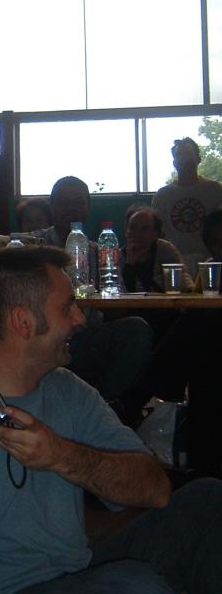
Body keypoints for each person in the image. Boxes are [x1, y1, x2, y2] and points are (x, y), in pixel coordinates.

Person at [0, 244, 222, 594]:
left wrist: (62, 456)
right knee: (132, 591)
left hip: (75, 581)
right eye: (68, 308)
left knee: (207, 499)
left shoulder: (68, 390)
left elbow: (155, 489)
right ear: (22, 322)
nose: (81, 319)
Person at [34, 176, 154, 404]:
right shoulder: (32, 245)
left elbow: (119, 308)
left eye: (78, 202)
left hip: (83, 339)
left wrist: (108, 288)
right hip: (41, 338)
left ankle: (108, 405)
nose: (71, 209)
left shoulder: (100, 252)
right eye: (64, 202)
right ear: (52, 206)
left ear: (88, 207)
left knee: (136, 329)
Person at [152, 137, 222, 277]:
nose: (185, 159)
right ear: (174, 163)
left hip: (211, 260)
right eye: (180, 155)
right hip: (175, 263)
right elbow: (157, 234)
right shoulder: (162, 196)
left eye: (188, 154)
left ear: (198, 159)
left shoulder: (215, 190)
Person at [121, 204, 192, 294]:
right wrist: (129, 264)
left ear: (155, 234)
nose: (137, 234)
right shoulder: (119, 257)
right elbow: (119, 294)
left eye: (144, 229)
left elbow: (186, 287)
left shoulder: (165, 250)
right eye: (132, 228)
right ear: (126, 232)